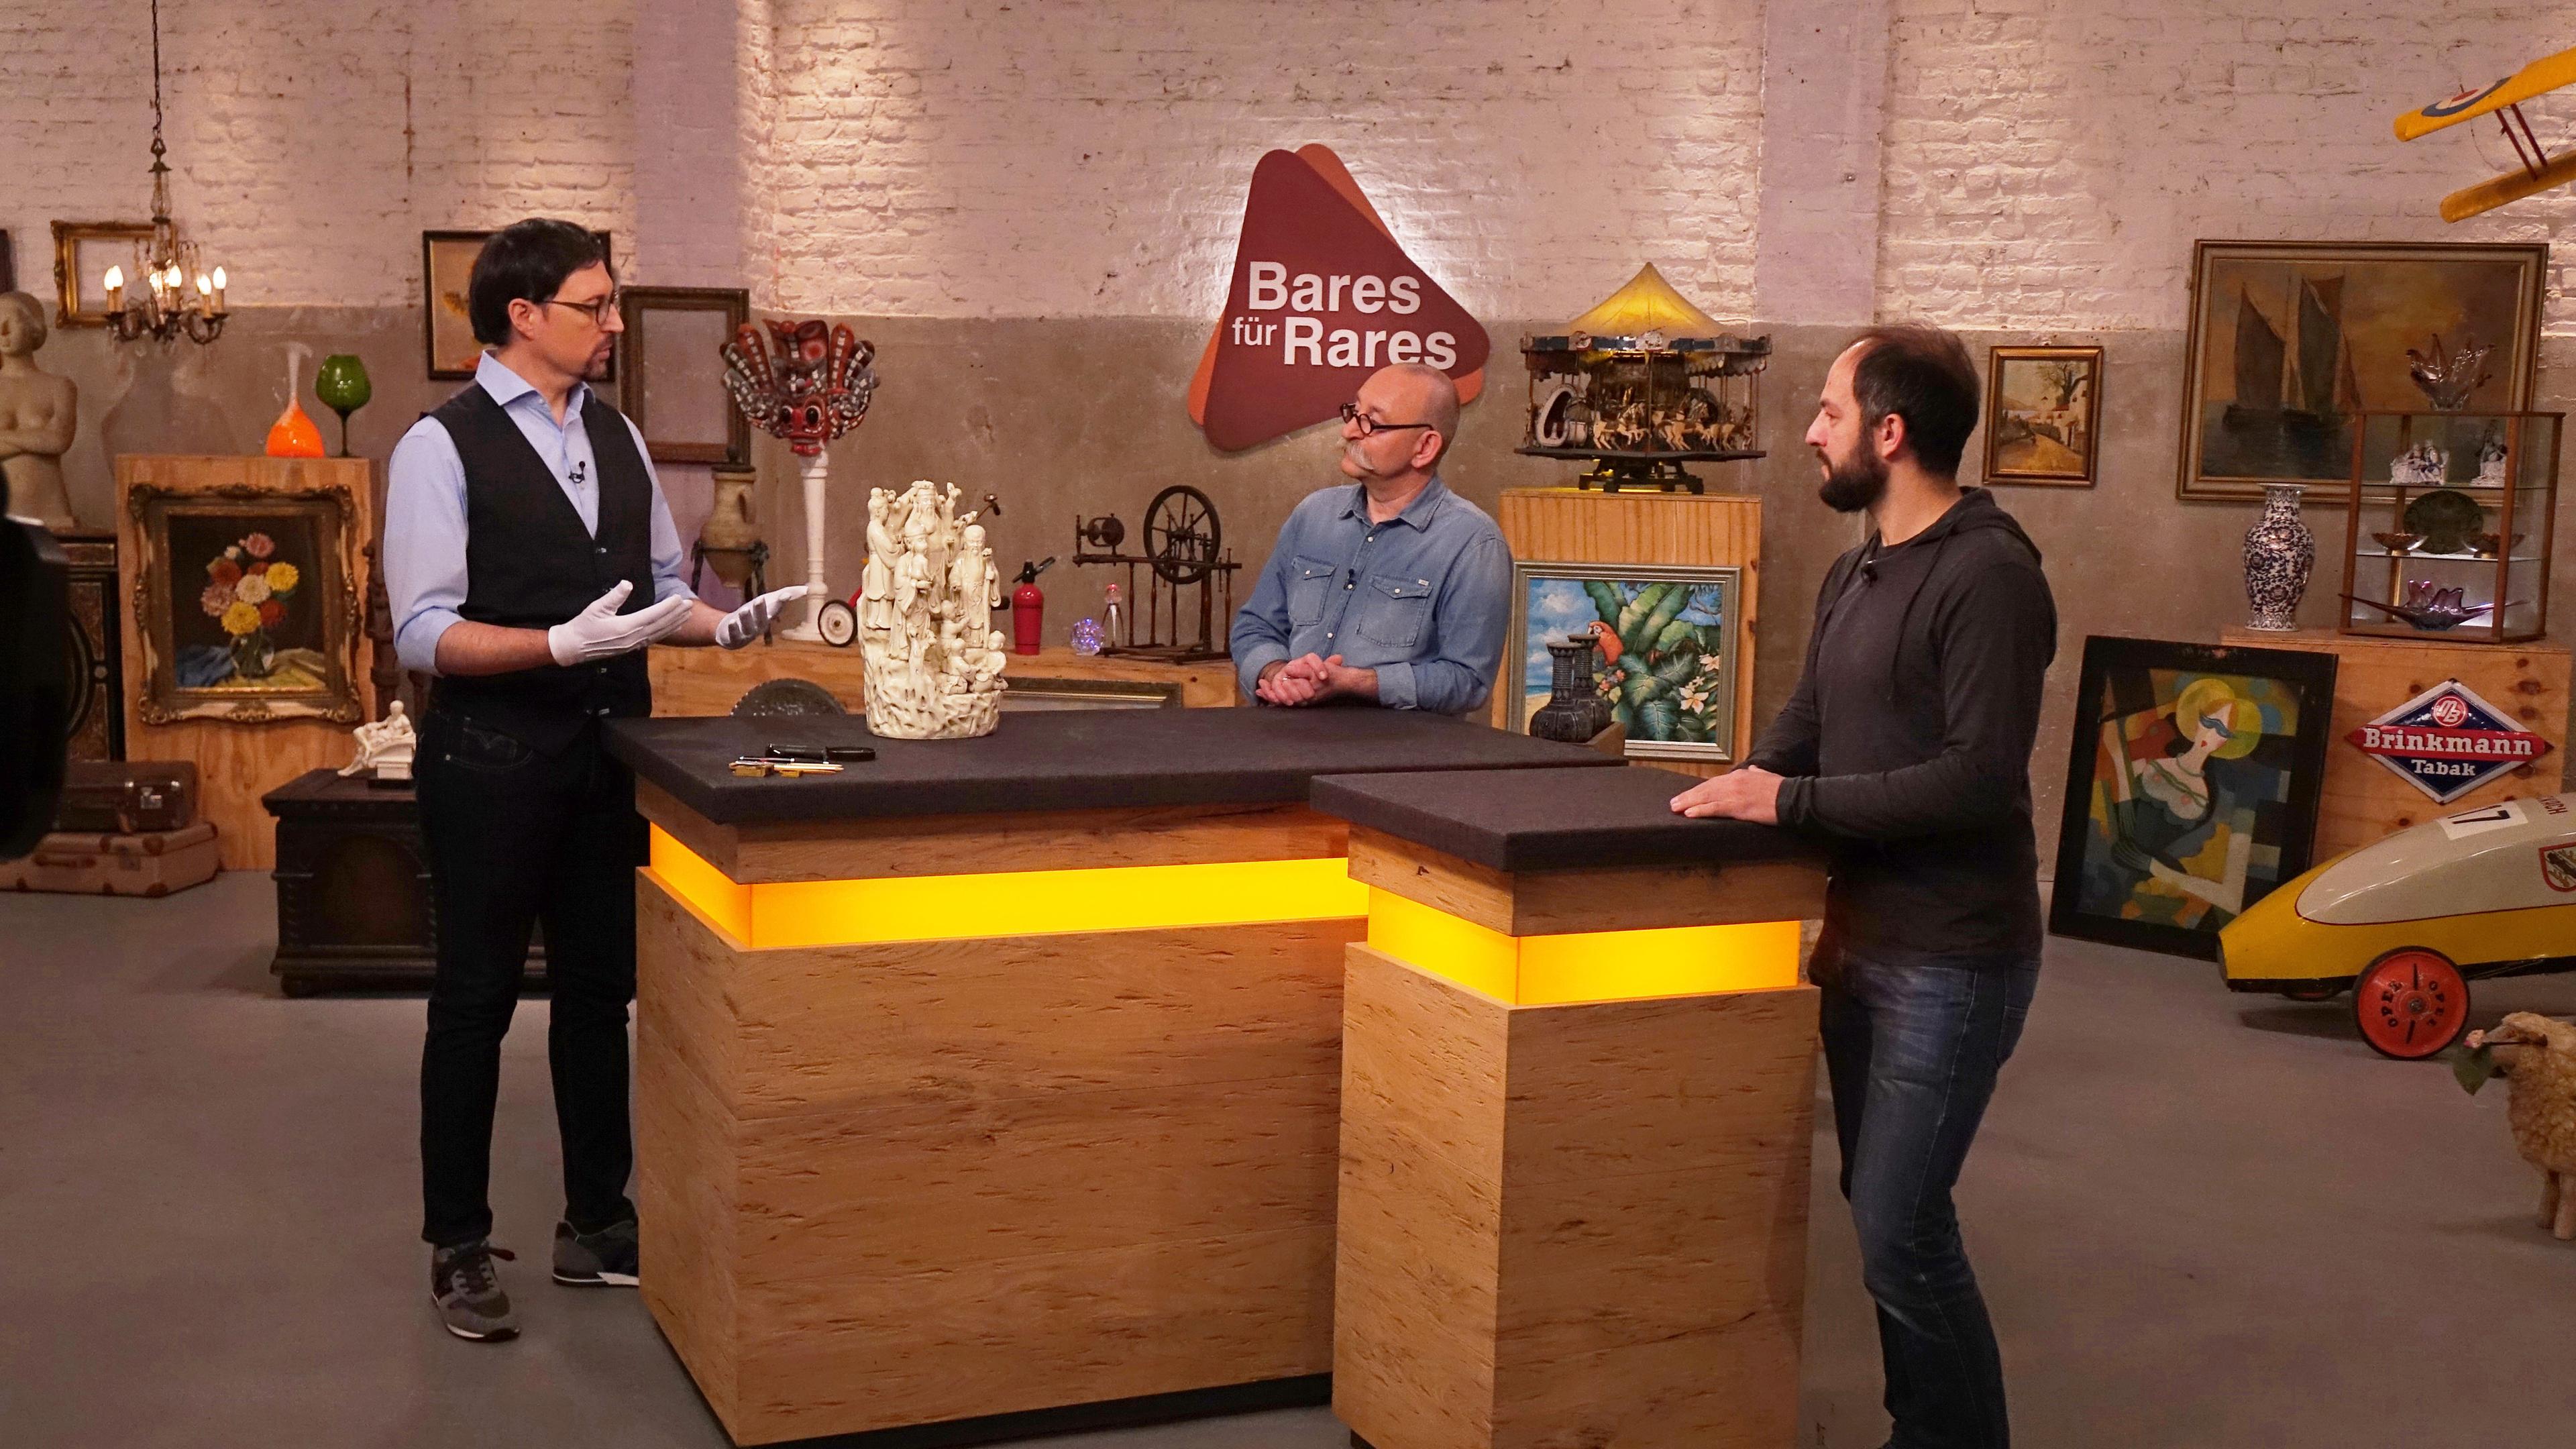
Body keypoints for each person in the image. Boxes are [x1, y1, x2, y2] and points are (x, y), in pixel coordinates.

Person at [383, 218, 804, 1343]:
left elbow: (663, 589)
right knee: (474, 1001)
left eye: (612, 302)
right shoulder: (439, 448)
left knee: (597, 995)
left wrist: (729, 627)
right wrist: (552, 647)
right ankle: (458, 1243)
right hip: (489, 761)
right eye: (596, 305)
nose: (615, 323)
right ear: (523, 316)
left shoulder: (615, 436)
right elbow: (422, 631)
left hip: (606, 758)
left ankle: (597, 1224)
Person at [1670, 324, 2056, 1449]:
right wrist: (1734, 787)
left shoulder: (1990, 576)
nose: (1809, 433)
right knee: (1881, 1213)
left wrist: (1787, 804)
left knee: (1901, 1228)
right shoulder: (1859, 568)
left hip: (1954, 953)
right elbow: (1810, 721)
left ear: (1889, 434)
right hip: (1858, 937)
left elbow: (1978, 781)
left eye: (1829, 413)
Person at [1229, 364, 1509, 714]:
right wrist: (1276, 673)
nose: (1348, 431)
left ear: (1424, 447)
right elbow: (1255, 626)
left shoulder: (1474, 543)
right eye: (1354, 412)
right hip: (1282, 733)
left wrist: (1355, 682)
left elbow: (1468, 681)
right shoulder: (1313, 515)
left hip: (1393, 746)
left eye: (1372, 423)